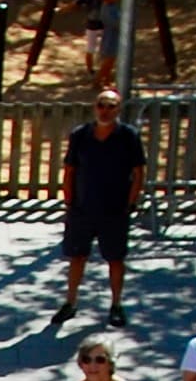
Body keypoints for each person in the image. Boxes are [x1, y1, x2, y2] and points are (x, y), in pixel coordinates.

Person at [56, 85, 144, 322]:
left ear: (118, 109)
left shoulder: (128, 136)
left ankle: (116, 305)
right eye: (101, 105)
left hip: (114, 210)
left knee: (115, 259)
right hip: (82, 208)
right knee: (77, 257)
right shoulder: (80, 135)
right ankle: (70, 301)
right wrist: (69, 201)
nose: (105, 111)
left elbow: (138, 172)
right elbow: (70, 170)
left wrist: (131, 203)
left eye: (111, 106)